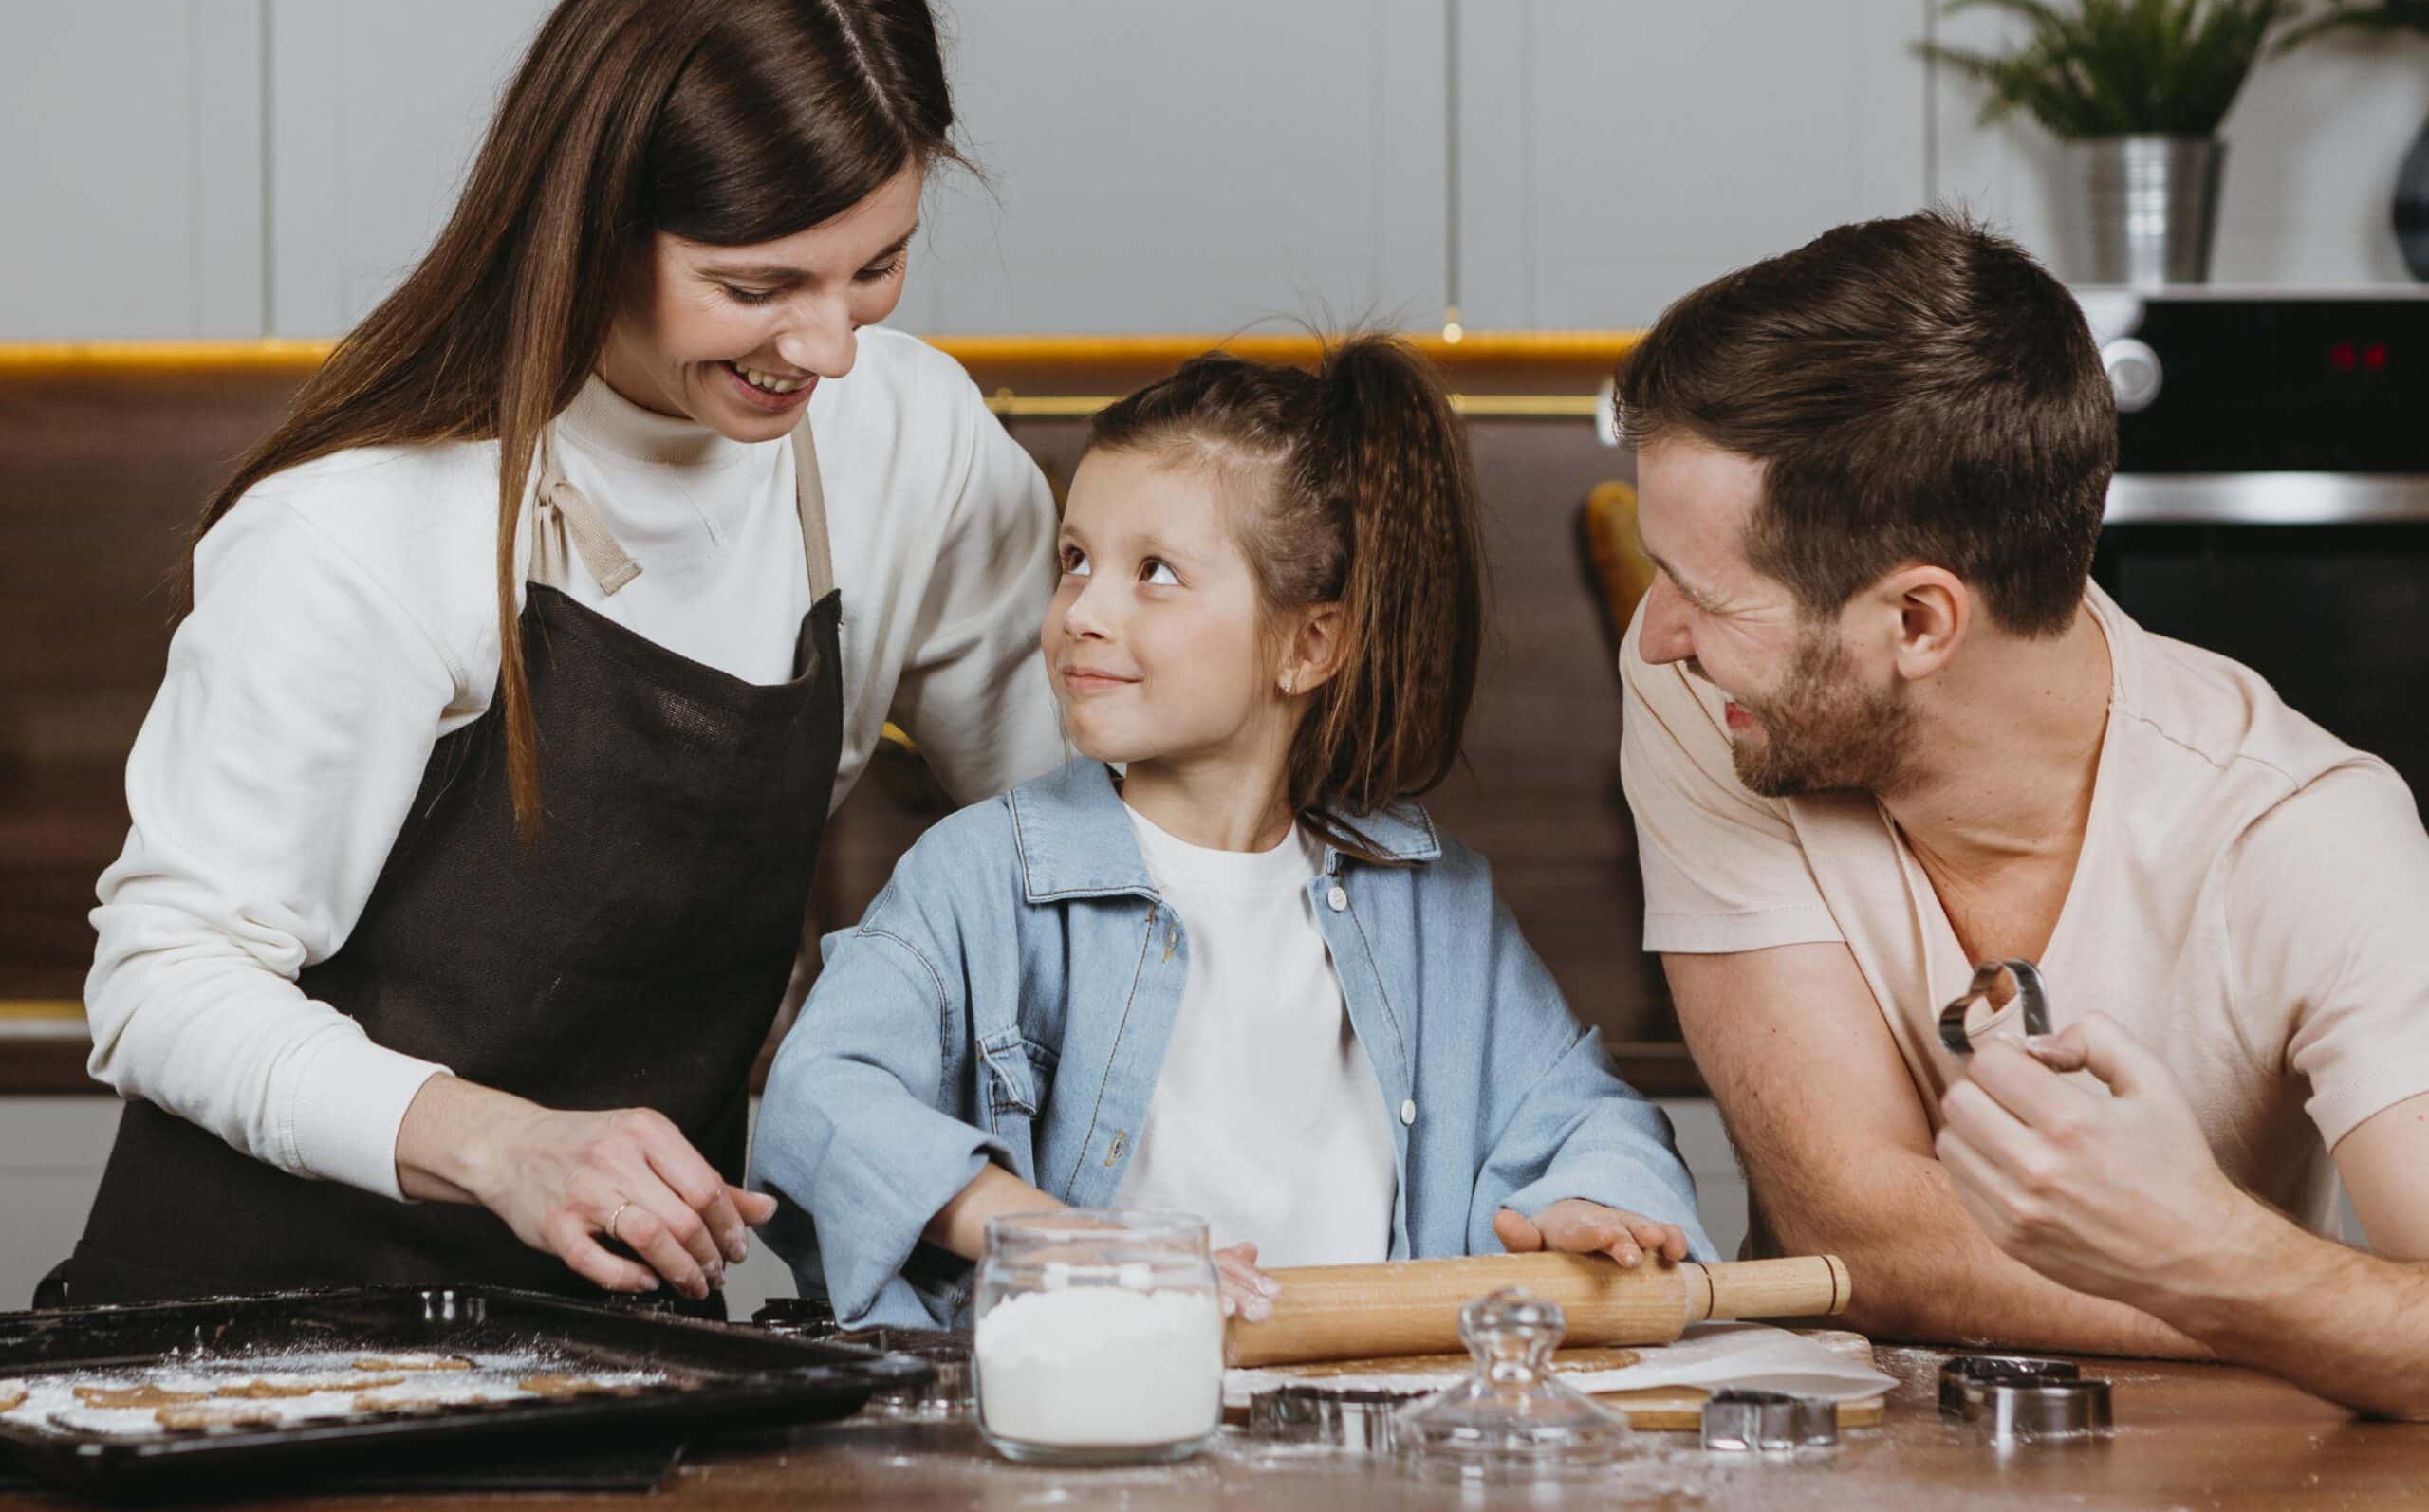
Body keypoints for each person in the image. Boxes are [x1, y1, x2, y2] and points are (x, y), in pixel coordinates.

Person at [49, 0, 1066, 1310]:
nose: (829, 346)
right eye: (758, 284)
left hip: (619, 1352)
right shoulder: (367, 524)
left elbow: (1075, 842)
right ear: (592, 227)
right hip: (250, 1339)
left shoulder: (910, 443)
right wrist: (504, 1146)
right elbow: (165, 983)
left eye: (879, 266)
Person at [1615, 210, 2429, 1418]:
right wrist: (2257, 1288)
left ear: (1919, 623)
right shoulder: (1711, 698)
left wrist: (2210, 1257)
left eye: (1706, 594)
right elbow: (1855, 1227)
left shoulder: (2309, 834)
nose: (1661, 628)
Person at [750, 337, 1715, 1327]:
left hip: (1366, 1447)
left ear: (1311, 643)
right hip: (1091, 1439)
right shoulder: (978, 877)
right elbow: (818, 1100)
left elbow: (1592, 1117)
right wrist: (1051, 1235)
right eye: (1074, 560)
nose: (1082, 609)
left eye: (1154, 572)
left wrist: (1593, 1206)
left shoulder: (1436, 903)